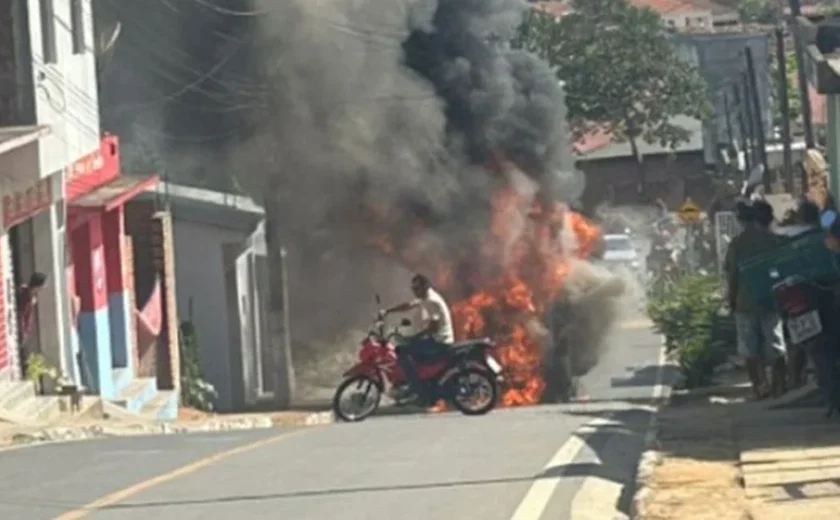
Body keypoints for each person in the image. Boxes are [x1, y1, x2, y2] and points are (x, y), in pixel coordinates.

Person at [724, 201, 787, 399]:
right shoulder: (773, 240)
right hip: (771, 299)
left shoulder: (737, 244)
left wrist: (731, 301)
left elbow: (732, 276)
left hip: (745, 302)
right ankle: (779, 386)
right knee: (775, 344)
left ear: (741, 221)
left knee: (749, 348)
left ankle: (759, 387)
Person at [381, 274, 455, 404]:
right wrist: (388, 311)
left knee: (402, 352)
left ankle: (416, 389)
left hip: (440, 342)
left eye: (417, 288)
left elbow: (434, 328)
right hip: (435, 339)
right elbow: (409, 305)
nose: (414, 291)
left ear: (425, 287)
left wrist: (414, 337)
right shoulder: (425, 297)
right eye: (413, 288)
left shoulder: (432, 301)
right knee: (408, 346)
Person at [17, 272, 47, 375]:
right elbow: (22, 314)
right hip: (22, 329)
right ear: (38, 285)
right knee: (21, 354)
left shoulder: (29, 293)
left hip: (25, 328)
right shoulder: (27, 296)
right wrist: (23, 331)